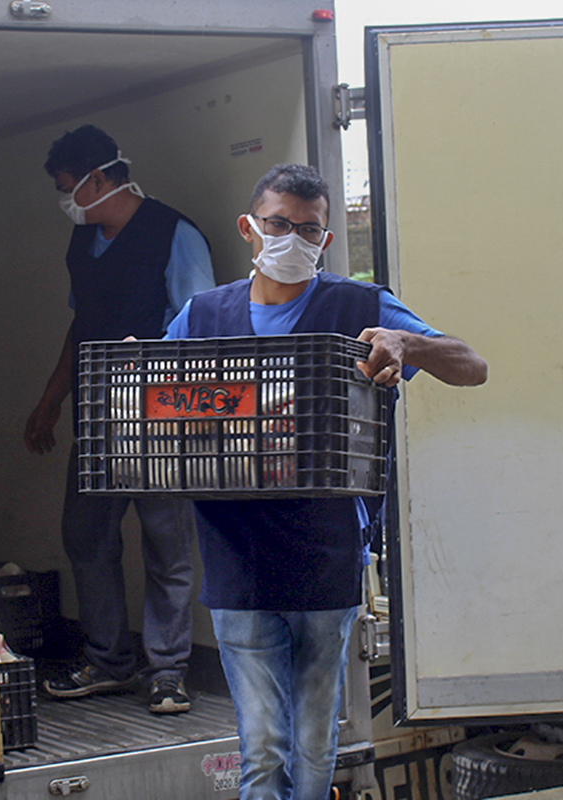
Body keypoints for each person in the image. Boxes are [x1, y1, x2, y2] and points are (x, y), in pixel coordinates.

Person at [164, 163, 487, 798]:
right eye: (279, 224)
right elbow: (154, 400)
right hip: (237, 556)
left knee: (315, 745)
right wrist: (136, 368)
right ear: (249, 229)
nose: (292, 239)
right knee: (262, 749)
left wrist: (406, 344)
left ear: (327, 240)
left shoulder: (361, 306)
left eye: (308, 230)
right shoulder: (204, 314)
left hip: (325, 553)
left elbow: (472, 366)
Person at [25, 125, 215, 714]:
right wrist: (52, 398)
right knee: (86, 536)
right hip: (98, 419)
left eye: (67, 189)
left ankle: (167, 671)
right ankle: (109, 660)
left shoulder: (174, 235)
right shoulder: (82, 245)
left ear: (98, 179)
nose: (67, 202)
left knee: (167, 549)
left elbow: (201, 334)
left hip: (160, 423)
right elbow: (81, 328)